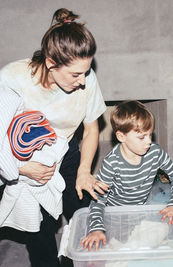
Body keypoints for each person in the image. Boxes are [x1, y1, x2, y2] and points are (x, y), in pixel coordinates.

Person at [0, 8, 109, 267]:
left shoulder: (87, 78)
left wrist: (84, 171)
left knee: (83, 212)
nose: (83, 81)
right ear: (51, 64)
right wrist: (22, 169)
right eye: (75, 74)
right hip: (23, 156)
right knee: (40, 231)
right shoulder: (13, 78)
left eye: (86, 72)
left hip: (67, 150)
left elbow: (92, 128)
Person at [80, 100, 173, 251]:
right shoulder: (111, 163)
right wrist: (96, 229)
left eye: (150, 135)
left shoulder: (155, 153)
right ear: (121, 137)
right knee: (111, 253)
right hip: (115, 221)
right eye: (142, 137)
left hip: (142, 216)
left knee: (161, 239)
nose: (149, 142)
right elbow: (98, 201)